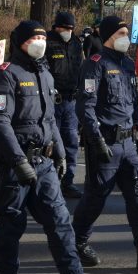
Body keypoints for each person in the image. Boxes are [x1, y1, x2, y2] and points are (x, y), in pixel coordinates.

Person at [0, 21, 106, 274]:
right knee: (11, 226)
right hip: (16, 165)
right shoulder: (5, 75)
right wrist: (18, 161)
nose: (40, 42)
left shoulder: (46, 74)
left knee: (60, 220)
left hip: (44, 162)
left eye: (42, 37)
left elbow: (50, 119)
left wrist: (60, 152)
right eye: (34, 38)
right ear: (21, 42)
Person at [72, 15, 138, 270]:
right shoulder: (95, 65)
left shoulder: (127, 64)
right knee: (96, 197)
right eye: (121, 34)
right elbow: (86, 106)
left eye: (126, 34)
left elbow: (133, 102)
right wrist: (95, 139)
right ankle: (77, 243)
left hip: (128, 142)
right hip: (105, 142)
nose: (125, 38)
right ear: (109, 37)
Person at [46, 11, 84, 199]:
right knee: (51, 143)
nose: (68, 31)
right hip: (52, 101)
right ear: (57, 27)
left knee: (71, 142)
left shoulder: (76, 43)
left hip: (71, 101)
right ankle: (49, 182)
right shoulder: (47, 42)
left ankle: (67, 181)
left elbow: (81, 68)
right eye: (65, 28)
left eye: (71, 28)